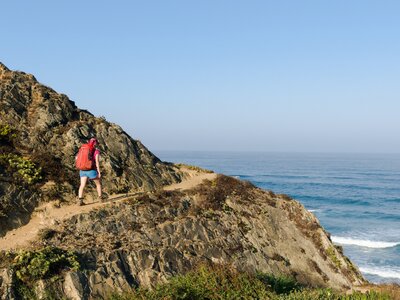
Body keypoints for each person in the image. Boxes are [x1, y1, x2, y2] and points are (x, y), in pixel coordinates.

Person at [77, 137, 105, 205]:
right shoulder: (96, 151)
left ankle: (80, 200)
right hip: (91, 170)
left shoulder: (83, 149)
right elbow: (97, 162)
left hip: (82, 170)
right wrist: (98, 172)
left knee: (82, 185)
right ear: (96, 144)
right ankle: (100, 198)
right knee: (98, 184)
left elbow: (77, 158)